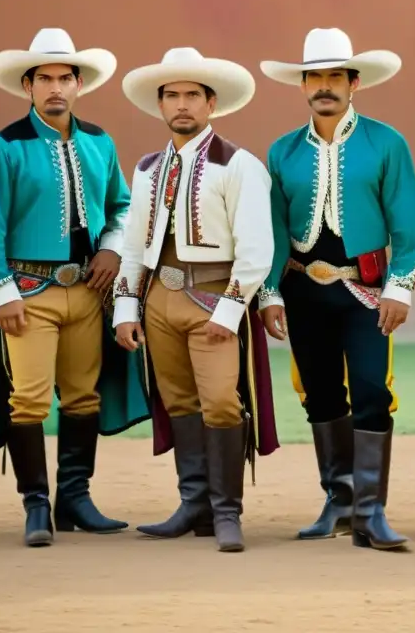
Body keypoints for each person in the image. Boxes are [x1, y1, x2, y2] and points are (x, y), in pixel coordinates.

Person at [0, 27, 149, 547]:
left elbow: (121, 205)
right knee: (27, 398)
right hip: (28, 290)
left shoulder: (99, 141)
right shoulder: (2, 148)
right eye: (43, 78)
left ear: (79, 85)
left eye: (64, 78)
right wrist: (0, 291)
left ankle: (74, 496)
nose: (54, 88)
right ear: (27, 86)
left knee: (82, 395)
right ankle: (35, 505)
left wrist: (114, 248)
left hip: (88, 290)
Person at [256, 28, 415, 551]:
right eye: (316, 77)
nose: (324, 86)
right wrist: (269, 294)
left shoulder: (386, 143)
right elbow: (274, 232)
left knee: (373, 390)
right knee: (321, 395)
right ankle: (341, 499)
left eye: (335, 77)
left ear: (355, 83)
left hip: (367, 292)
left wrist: (400, 288)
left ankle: (373, 512)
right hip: (304, 290)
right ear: (303, 85)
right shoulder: (281, 151)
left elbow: (409, 227)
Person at [113, 47, 279, 552]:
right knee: (179, 401)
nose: (181, 104)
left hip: (213, 297)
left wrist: (230, 312)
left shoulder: (239, 165)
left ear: (211, 104)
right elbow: (135, 244)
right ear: (160, 105)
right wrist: (126, 308)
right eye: (172, 96)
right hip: (159, 298)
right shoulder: (145, 168)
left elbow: (256, 252)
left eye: (191, 95)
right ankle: (195, 505)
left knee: (222, 403)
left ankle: (228, 511)